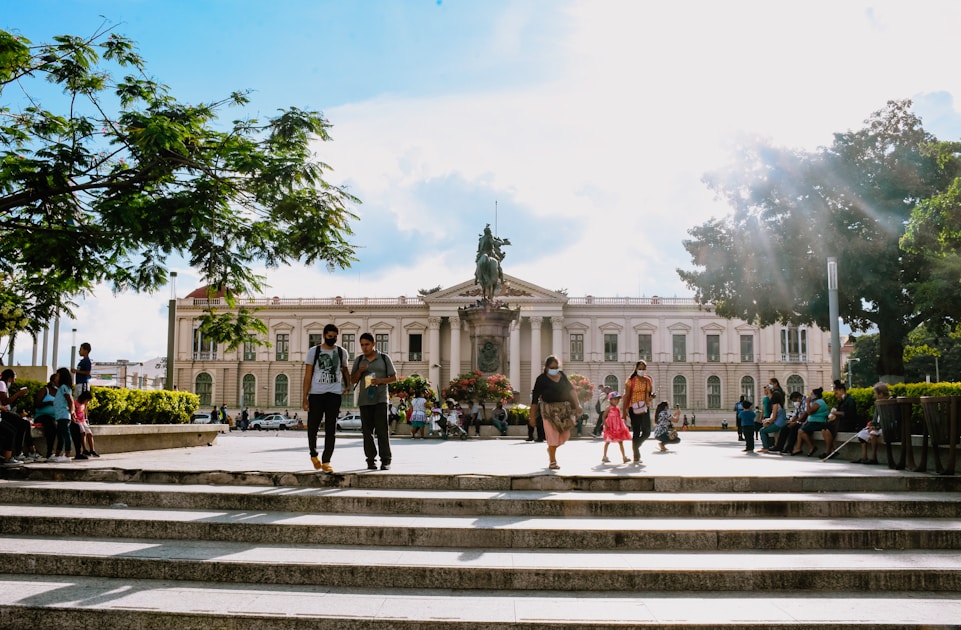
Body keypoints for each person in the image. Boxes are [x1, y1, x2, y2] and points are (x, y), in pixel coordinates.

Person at [302, 323, 351, 473]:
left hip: (334, 394)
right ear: (324, 335)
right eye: (330, 337)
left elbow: (345, 369)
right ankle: (313, 454)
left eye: (335, 337)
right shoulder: (314, 351)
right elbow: (308, 375)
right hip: (316, 394)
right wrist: (305, 397)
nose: (333, 339)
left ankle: (326, 461)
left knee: (331, 429)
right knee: (313, 427)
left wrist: (348, 385)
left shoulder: (342, 352)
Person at [350, 332, 398, 470]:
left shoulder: (384, 358)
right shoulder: (359, 360)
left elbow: (394, 377)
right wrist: (359, 371)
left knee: (382, 430)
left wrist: (381, 381)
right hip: (364, 400)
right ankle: (370, 460)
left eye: (367, 344)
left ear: (374, 344)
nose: (365, 348)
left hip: (380, 399)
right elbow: (353, 380)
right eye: (362, 345)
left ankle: (386, 460)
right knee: (367, 432)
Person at [530, 355, 582, 470]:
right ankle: (552, 461)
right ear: (546, 367)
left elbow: (571, 390)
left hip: (563, 411)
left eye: (556, 367)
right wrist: (532, 417)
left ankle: (551, 449)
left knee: (565, 435)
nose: (554, 369)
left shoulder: (562, 376)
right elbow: (534, 399)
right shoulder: (541, 379)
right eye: (552, 367)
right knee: (552, 436)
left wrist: (577, 405)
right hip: (548, 411)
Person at [622, 360, 655, 464]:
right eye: (640, 369)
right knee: (636, 431)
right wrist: (624, 411)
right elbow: (626, 396)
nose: (642, 371)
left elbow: (649, 394)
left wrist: (651, 397)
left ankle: (636, 446)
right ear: (636, 368)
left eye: (643, 369)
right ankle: (636, 455)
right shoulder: (630, 381)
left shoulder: (648, 380)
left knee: (647, 432)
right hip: (634, 408)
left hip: (645, 407)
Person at [0, 369, 35, 463]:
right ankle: (17, 453)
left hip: (5, 413)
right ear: (10, 378)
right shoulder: (2, 384)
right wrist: (18, 394)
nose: (14, 382)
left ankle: (26, 452)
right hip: (3, 413)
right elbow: (5, 401)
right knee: (20, 426)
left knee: (23, 424)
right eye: (14, 379)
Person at [854, 382, 888, 465]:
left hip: (885, 428)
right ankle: (864, 457)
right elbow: (875, 419)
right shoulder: (877, 404)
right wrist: (872, 425)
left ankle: (874, 458)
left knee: (873, 433)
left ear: (881, 394)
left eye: (875, 393)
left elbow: (887, 420)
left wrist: (876, 427)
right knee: (861, 434)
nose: (874, 395)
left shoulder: (889, 403)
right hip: (877, 427)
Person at [793, 387, 830, 457]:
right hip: (812, 422)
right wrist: (806, 421)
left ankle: (811, 447)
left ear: (815, 395)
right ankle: (799, 448)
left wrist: (807, 402)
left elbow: (809, 412)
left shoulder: (819, 402)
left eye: (811, 394)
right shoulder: (815, 402)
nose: (810, 396)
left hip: (818, 422)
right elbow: (811, 415)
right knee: (800, 430)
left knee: (801, 431)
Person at [52, 367, 76, 462]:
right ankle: (57, 454)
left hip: (63, 415)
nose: (56, 377)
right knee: (60, 435)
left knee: (66, 434)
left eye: (57, 375)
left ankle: (67, 454)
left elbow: (70, 400)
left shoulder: (63, 387)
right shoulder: (61, 388)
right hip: (60, 416)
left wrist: (71, 411)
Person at [32, 374, 58, 461]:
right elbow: (37, 404)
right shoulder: (45, 390)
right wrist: (48, 403)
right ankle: (49, 453)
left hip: (54, 417)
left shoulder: (59, 392)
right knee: (51, 426)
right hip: (42, 416)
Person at [600, 392, 631, 464]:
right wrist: (606, 425)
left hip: (618, 427)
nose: (616, 401)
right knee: (607, 442)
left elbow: (618, 417)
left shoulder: (617, 408)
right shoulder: (608, 408)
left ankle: (624, 457)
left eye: (617, 400)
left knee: (620, 442)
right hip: (610, 427)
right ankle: (604, 456)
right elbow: (603, 417)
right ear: (610, 400)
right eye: (614, 399)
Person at [758, 384, 787, 454]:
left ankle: (765, 448)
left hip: (778, 424)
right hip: (782, 423)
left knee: (762, 431)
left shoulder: (775, 405)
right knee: (774, 433)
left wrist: (766, 420)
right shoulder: (781, 405)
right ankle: (773, 446)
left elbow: (773, 418)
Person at [72, 390, 99, 458]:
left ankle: (92, 449)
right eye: (87, 400)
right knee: (83, 432)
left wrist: (86, 419)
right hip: (77, 420)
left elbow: (84, 411)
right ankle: (84, 449)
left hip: (83, 420)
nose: (87, 402)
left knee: (89, 433)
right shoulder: (75, 403)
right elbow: (73, 411)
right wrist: (74, 419)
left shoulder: (84, 404)